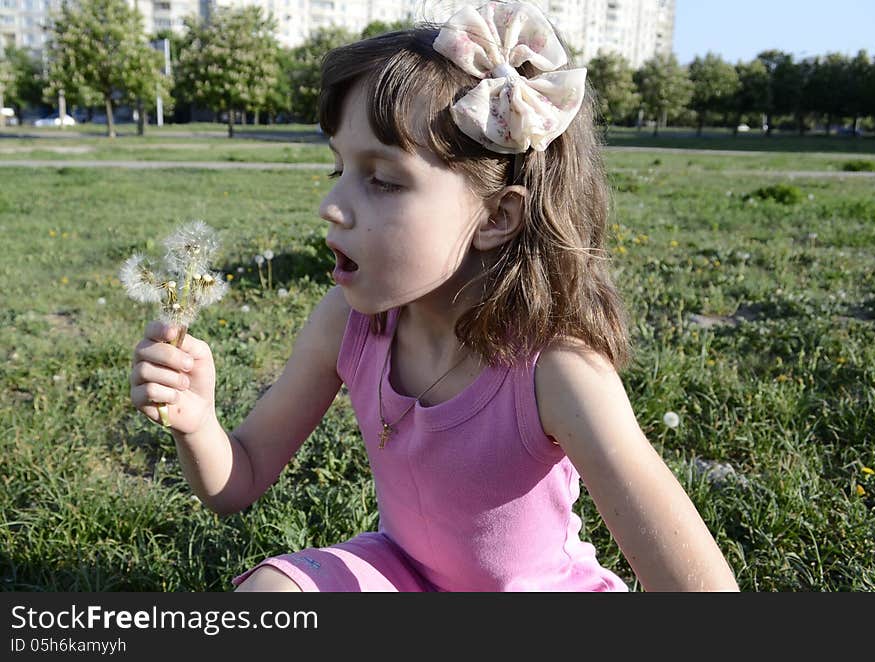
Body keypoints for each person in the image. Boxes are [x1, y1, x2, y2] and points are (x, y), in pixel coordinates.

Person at [129, 1, 739, 592]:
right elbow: (240, 481)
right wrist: (197, 422)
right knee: (273, 592)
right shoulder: (345, 323)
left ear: (497, 216)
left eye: (384, 180)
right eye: (337, 168)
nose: (331, 206)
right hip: (401, 572)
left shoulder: (557, 372)